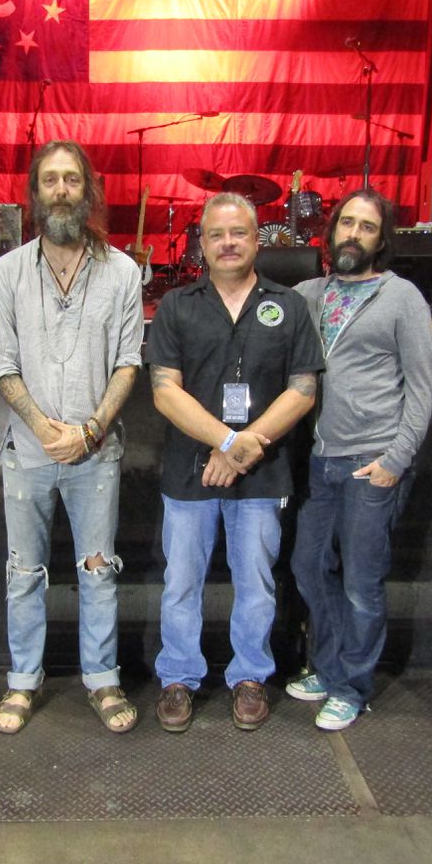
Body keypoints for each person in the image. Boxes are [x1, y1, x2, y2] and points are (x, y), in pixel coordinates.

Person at [0, 140, 144, 734]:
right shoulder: (8, 271)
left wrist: (90, 430)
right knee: (23, 572)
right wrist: (43, 427)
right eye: (49, 179)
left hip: (96, 452)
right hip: (27, 451)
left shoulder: (122, 271)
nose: (60, 190)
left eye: (71, 179)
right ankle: (23, 681)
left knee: (99, 571)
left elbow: (129, 362)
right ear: (34, 192)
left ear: (88, 190)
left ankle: (102, 679)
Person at [147, 192, 321, 732]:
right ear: (201, 243)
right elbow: (164, 391)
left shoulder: (288, 305)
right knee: (182, 582)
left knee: (256, 584)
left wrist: (248, 446)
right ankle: (178, 677)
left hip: (263, 473)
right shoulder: (176, 306)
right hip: (189, 471)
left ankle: (249, 676)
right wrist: (228, 442)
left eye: (239, 233)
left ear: (257, 240)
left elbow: (303, 389)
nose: (228, 243)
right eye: (217, 234)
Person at [288, 188, 432, 730]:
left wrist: (396, 460)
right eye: (346, 223)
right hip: (320, 459)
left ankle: (352, 687)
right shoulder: (307, 294)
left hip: (373, 460)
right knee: (308, 567)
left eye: (367, 226)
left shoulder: (402, 298)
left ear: (381, 239)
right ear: (331, 232)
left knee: (360, 583)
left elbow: (423, 389)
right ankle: (329, 669)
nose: (354, 234)